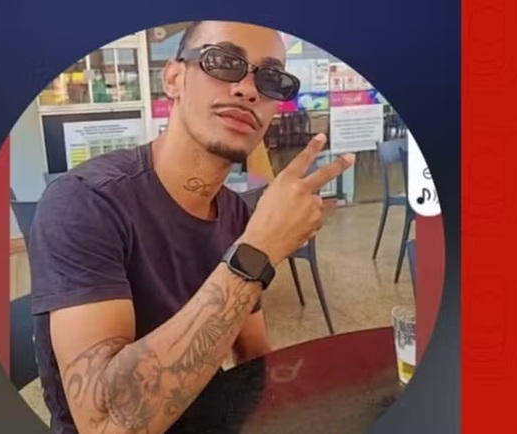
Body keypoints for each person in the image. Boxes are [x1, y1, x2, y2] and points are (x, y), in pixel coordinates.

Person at [28, 20, 355, 434]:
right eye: (223, 61)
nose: (248, 90)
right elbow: (105, 423)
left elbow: (253, 353)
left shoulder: (233, 212)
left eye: (271, 79)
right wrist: (257, 252)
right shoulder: (87, 202)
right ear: (174, 78)